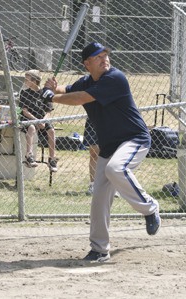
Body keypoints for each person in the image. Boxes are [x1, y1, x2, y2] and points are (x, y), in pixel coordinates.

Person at [43, 42, 161, 262]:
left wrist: (50, 97)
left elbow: (79, 99)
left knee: (117, 169)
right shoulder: (87, 81)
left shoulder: (115, 78)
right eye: (98, 57)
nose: (104, 58)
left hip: (134, 139)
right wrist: (51, 88)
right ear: (87, 64)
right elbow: (68, 90)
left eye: (106, 54)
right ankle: (99, 249)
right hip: (109, 146)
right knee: (99, 198)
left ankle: (150, 208)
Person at [19, 69, 58, 172]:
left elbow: (48, 111)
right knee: (31, 127)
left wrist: (43, 121)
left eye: (27, 79)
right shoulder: (24, 93)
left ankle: (52, 158)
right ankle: (29, 156)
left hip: (42, 119)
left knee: (51, 131)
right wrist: (37, 121)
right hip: (29, 119)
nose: (25, 82)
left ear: (34, 81)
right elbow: (25, 112)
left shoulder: (44, 93)